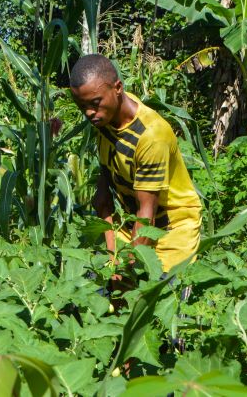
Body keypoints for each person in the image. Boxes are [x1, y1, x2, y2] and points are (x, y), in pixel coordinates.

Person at [69, 54, 201, 277]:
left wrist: (124, 273)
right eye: (82, 106)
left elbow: (146, 216)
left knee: (159, 305)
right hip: (134, 229)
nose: (89, 113)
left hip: (172, 232)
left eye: (95, 103)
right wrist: (113, 259)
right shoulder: (105, 116)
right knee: (93, 290)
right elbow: (103, 199)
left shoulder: (151, 136)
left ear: (118, 88)